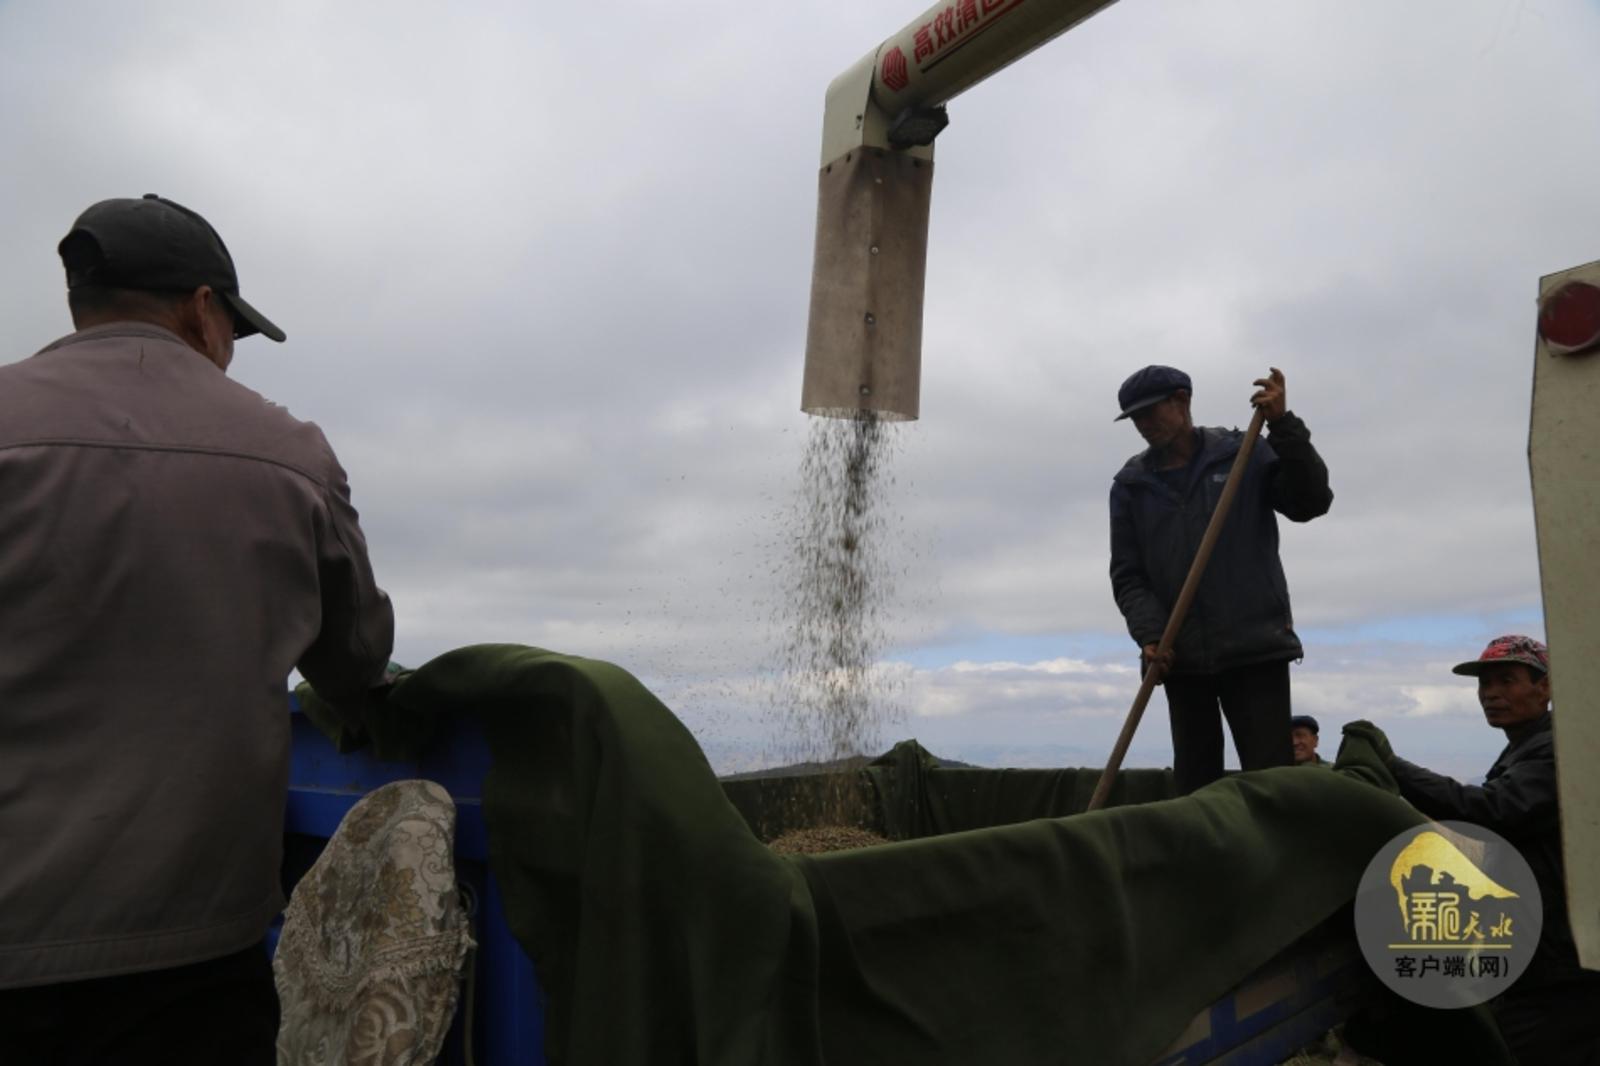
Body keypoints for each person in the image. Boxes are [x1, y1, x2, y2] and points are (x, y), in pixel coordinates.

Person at [0, 195, 395, 1064]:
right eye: (233, 331)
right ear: (202, 308)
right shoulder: (290, 453)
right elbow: (355, 662)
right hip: (190, 965)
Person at [1345, 636, 1600, 1066]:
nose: (1491, 694)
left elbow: (1494, 810)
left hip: (1559, 970)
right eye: (1485, 684)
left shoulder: (1554, 750)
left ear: (1545, 687)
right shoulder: (1525, 748)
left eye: (1507, 680)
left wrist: (1394, 767)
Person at [1108, 365, 1332, 795]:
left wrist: (1284, 426)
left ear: (1182, 401)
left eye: (1150, 412)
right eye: (1135, 418)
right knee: (1195, 789)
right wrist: (1151, 634)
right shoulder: (1131, 485)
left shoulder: (1244, 453)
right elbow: (1128, 574)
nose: (1143, 424)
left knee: (1271, 786)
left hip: (1255, 648)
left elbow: (1310, 502)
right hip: (1180, 656)